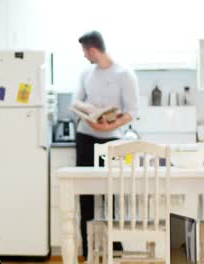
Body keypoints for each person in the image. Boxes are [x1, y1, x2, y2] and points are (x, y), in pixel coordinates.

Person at [74, 30, 139, 259]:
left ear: (93, 50)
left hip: (113, 140)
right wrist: (89, 114)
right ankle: (87, 250)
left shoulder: (125, 74)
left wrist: (110, 125)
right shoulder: (86, 73)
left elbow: (132, 111)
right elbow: (77, 102)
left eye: (84, 51)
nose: (84, 56)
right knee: (86, 194)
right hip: (86, 137)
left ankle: (115, 248)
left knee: (113, 194)